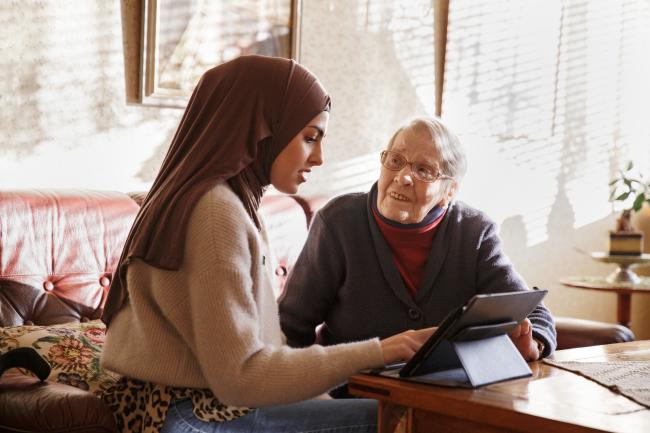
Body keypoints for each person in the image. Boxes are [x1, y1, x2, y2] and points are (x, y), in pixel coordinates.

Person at [99, 55, 434, 433]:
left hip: (196, 407)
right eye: (310, 137)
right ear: (262, 127)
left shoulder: (231, 202)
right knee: (407, 422)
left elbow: (258, 362)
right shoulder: (215, 213)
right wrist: (381, 351)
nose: (319, 157)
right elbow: (240, 377)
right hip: (192, 415)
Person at [278, 116, 557, 388]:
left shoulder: (474, 233)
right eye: (395, 161)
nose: (403, 178)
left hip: (443, 399)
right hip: (352, 394)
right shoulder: (339, 222)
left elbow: (536, 315)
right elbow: (289, 328)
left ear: (449, 191)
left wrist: (532, 344)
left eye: (424, 170)